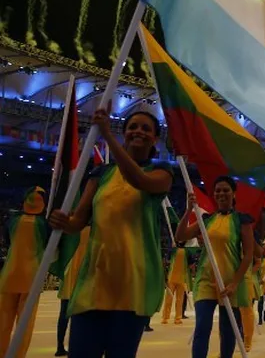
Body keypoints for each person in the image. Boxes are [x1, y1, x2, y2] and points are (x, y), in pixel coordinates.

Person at [49, 109, 172, 357]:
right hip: (96, 279)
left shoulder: (161, 172)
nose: (138, 131)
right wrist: (63, 221)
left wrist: (108, 136)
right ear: (125, 132)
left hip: (133, 282)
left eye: (146, 129)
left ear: (155, 139)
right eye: (133, 126)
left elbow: (137, 180)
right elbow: (79, 221)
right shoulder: (100, 174)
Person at [176, 176, 255, 358]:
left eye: (226, 190)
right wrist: (188, 211)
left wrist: (235, 283)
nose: (221, 193)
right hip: (205, 281)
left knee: (227, 332)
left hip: (229, 284)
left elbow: (248, 255)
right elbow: (180, 236)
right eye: (218, 190)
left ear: (234, 193)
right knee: (202, 327)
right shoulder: (206, 219)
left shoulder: (242, 221)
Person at [0, 186, 49, 358]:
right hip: (32, 280)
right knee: (25, 325)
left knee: (3, 323)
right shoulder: (45, 225)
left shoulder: (12, 221)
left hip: (8, 276)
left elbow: (7, 241)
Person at [55, 225, 90, 357]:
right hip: (84, 273)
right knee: (82, 313)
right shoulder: (93, 230)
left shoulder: (70, 230)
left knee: (64, 312)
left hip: (69, 272)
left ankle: (59, 346)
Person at [161, 242, 193, 325]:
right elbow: (166, 260)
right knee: (170, 299)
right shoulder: (173, 250)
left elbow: (191, 265)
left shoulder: (187, 251)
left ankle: (177, 318)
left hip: (181, 279)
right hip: (173, 278)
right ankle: (166, 317)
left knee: (179, 300)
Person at [241, 246, 262, 352]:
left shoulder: (249, 237)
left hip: (248, 280)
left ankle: (247, 339)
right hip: (230, 278)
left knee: (247, 310)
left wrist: (249, 272)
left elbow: (258, 260)